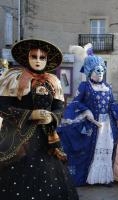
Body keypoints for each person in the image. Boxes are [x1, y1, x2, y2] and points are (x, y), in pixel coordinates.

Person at [0, 39, 78, 200]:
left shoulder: (53, 81)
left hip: (46, 141)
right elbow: (3, 107)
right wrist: (30, 115)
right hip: (18, 141)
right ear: (27, 58)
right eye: (34, 56)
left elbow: (59, 107)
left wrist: (52, 117)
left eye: (42, 57)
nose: (37, 60)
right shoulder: (13, 78)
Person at [57, 44, 118, 186]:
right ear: (90, 72)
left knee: (107, 149)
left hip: (107, 125)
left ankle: (104, 178)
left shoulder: (108, 86)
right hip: (91, 124)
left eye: (102, 70)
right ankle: (89, 178)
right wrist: (86, 111)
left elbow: (112, 102)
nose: (100, 72)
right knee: (90, 151)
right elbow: (76, 102)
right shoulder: (84, 86)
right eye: (97, 70)